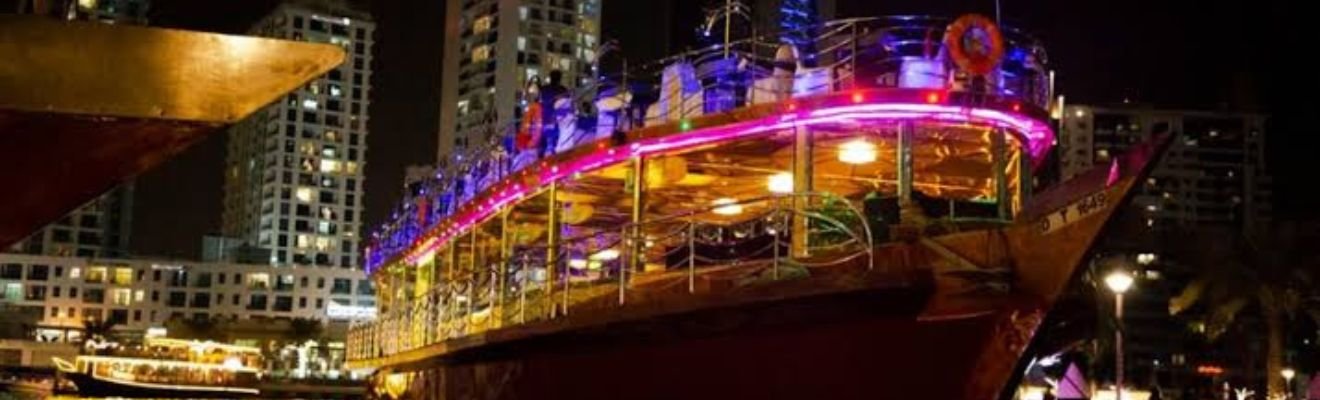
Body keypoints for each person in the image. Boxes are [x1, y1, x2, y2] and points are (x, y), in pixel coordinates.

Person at [538, 70, 569, 158]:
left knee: (542, 141)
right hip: (555, 118)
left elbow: (538, 102)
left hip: (544, 118)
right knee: (555, 140)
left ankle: (541, 158)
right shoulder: (563, 90)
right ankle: (554, 157)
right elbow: (566, 104)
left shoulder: (543, 89)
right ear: (560, 78)